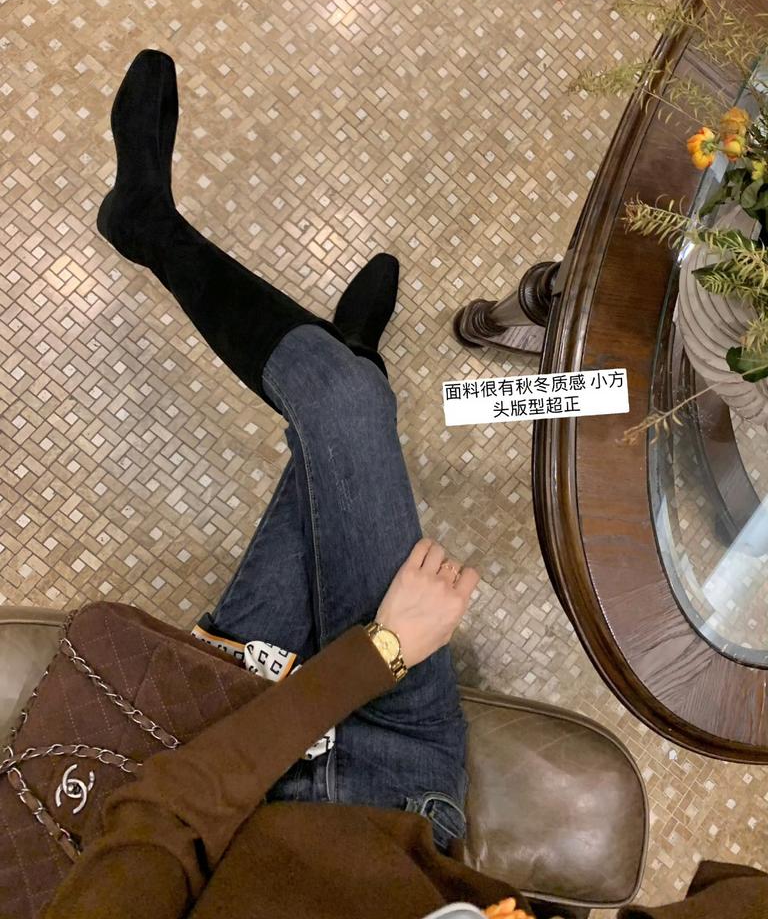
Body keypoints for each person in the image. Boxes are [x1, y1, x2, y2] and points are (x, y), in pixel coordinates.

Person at [43, 50, 768, 919]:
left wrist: (381, 651)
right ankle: (351, 354)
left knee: (343, 408)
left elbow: (160, 818)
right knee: (343, 426)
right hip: (407, 790)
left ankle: (149, 226)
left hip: (246, 774)